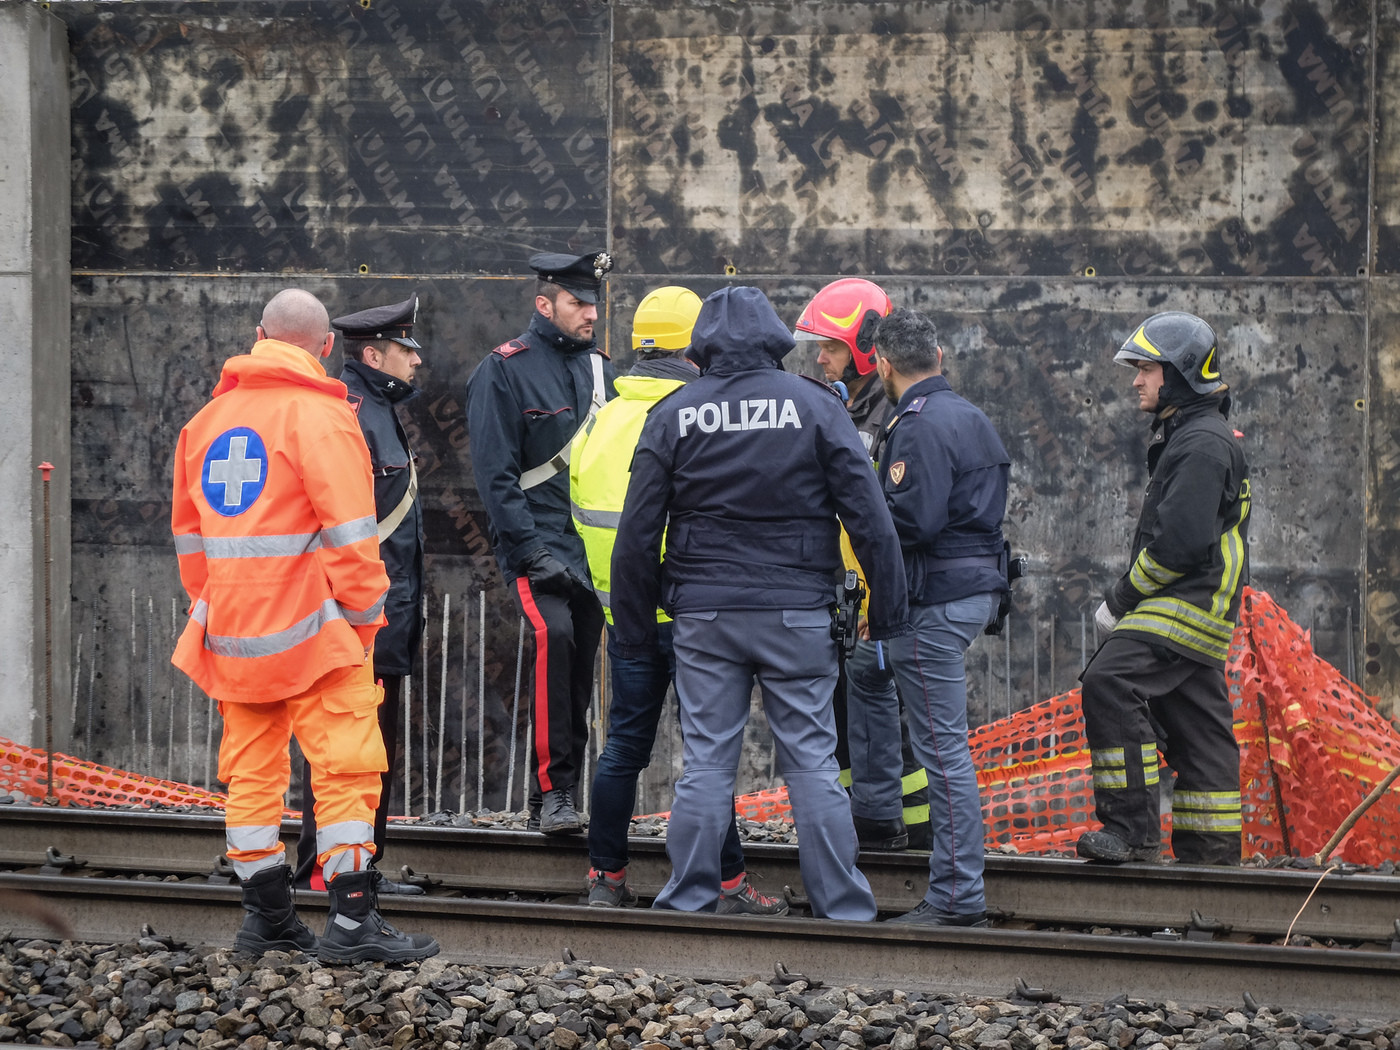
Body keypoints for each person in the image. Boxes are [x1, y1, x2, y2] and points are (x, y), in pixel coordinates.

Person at [611, 286, 910, 920]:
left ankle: (689, 899)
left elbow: (637, 535)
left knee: (706, 764)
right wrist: (888, 615)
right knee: (812, 763)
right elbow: (870, 519)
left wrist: (635, 633)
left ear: (703, 348)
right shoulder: (816, 407)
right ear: (775, 340)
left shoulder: (674, 414)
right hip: (797, 614)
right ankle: (843, 906)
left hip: (705, 618)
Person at [170, 288, 438, 962]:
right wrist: (362, 623)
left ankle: (266, 918)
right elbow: (354, 540)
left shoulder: (204, 424)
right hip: (318, 636)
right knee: (346, 768)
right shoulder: (323, 417)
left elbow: (190, 544)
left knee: (252, 774)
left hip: (233, 635)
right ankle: (352, 923)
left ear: (258, 333)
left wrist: (224, 609)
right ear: (325, 347)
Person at [571, 286, 785, 915]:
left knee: (623, 749)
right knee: (708, 754)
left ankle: (605, 879)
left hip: (626, 615)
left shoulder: (600, 419)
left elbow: (581, 516)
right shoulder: (700, 414)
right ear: (696, 348)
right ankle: (727, 886)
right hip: (696, 614)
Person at [1077, 311, 1250, 867]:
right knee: (1198, 731)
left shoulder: (1200, 444)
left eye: (1147, 369)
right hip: (1201, 605)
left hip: (1187, 601)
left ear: (1177, 375)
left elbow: (1180, 545)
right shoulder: (1197, 436)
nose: (1136, 381)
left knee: (1108, 680)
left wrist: (1119, 601)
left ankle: (1130, 832)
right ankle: (1212, 862)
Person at [465, 250, 617, 834]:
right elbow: (495, 475)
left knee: (579, 671)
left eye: (594, 303)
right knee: (554, 641)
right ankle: (555, 792)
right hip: (538, 545)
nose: (590, 314)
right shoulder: (503, 370)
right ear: (544, 303)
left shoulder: (602, 369)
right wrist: (528, 551)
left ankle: (553, 793)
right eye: (578, 303)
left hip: (589, 550)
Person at [871, 308, 1009, 927]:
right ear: (940, 355)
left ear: (883, 364)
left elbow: (914, 522)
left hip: (933, 602)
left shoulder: (917, 426)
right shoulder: (970, 416)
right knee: (945, 746)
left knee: (943, 751)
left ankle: (956, 896)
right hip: (971, 591)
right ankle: (956, 889)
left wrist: (858, 515)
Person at [294, 294, 427, 897]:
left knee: (367, 745)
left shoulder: (373, 406)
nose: (416, 362)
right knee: (348, 746)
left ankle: (354, 864)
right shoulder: (352, 411)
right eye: (406, 350)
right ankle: (337, 869)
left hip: (379, 610)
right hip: (360, 615)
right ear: (373, 354)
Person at [793, 278, 931, 853]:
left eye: (830, 346)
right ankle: (863, 826)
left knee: (894, 720)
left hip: (881, 593)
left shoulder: (899, 413)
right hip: (842, 589)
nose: (819, 357)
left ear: (866, 347)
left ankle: (920, 837)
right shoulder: (840, 403)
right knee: (843, 714)